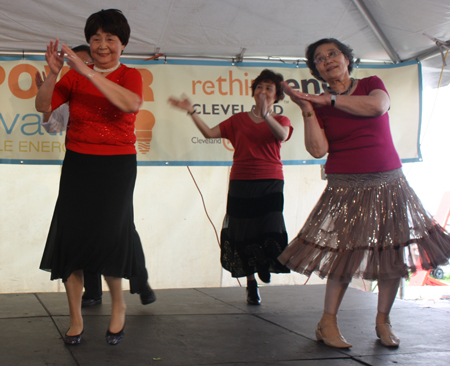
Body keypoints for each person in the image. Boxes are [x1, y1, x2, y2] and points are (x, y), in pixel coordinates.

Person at [278, 38, 450, 349]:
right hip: (346, 186)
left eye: (333, 53)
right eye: (319, 58)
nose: (328, 60)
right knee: (345, 253)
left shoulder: (371, 83)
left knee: (392, 253)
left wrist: (328, 101)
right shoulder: (316, 104)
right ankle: (327, 322)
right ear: (315, 69)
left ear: (346, 58)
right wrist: (306, 108)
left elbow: (378, 106)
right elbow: (318, 149)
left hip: (389, 182)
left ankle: (383, 320)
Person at [36, 9, 151, 346]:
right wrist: (54, 76)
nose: (102, 45)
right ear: (89, 40)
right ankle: (75, 317)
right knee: (71, 238)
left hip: (116, 167)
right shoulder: (72, 78)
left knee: (110, 237)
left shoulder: (130, 75)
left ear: (122, 44)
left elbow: (129, 105)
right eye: (96, 38)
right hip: (78, 164)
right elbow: (43, 107)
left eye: (110, 39)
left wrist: (86, 71)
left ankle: (118, 305)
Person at [169, 69, 292, 305]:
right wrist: (192, 111)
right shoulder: (237, 120)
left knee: (270, 226)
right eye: (259, 87)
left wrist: (266, 115)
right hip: (241, 180)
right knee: (243, 231)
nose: (263, 91)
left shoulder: (280, 120)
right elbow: (209, 133)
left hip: (270, 180)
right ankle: (251, 283)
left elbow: (283, 135)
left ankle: (264, 264)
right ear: (253, 91)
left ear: (276, 96)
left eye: (269, 88)